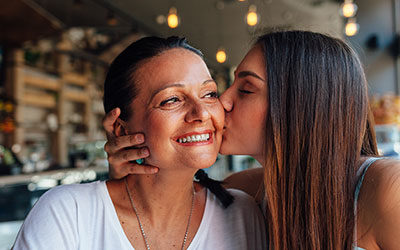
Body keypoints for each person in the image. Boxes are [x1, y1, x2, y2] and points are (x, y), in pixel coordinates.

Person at [103, 30, 400, 249]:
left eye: (245, 89)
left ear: (300, 104)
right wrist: (130, 172)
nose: (222, 102)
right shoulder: (245, 191)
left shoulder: (388, 190)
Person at [13, 37, 266, 250]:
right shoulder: (69, 213)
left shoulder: (242, 214)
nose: (201, 112)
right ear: (121, 128)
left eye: (209, 94)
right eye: (171, 100)